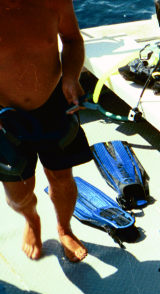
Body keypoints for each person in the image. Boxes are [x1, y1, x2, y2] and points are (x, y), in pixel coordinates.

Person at [0, 0, 92, 262]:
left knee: (62, 178)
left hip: (54, 103)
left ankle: (64, 229)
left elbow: (72, 40)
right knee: (18, 195)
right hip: (4, 115)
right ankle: (31, 219)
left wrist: (71, 77)